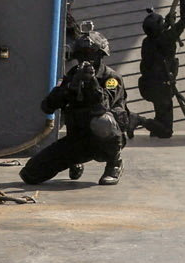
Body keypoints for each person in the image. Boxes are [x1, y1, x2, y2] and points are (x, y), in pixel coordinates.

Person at [21, 26, 130, 186]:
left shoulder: (111, 78)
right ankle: (75, 160)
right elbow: (47, 106)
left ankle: (114, 162)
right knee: (30, 174)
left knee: (103, 121)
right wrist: (70, 87)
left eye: (91, 54)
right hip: (78, 140)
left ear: (100, 55)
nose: (87, 59)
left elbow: (102, 106)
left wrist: (92, 82)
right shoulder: (72, 76)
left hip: (104, 142)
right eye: (82, 55)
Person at [138, 0, 185, 138]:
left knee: (160, 116)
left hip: (150, 84)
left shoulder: (147, 41)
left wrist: (166, 23)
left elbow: (159, 36)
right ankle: (139, 121)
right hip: (162, 86)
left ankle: (154, 129)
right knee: (167, 130)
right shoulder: (166, 39)